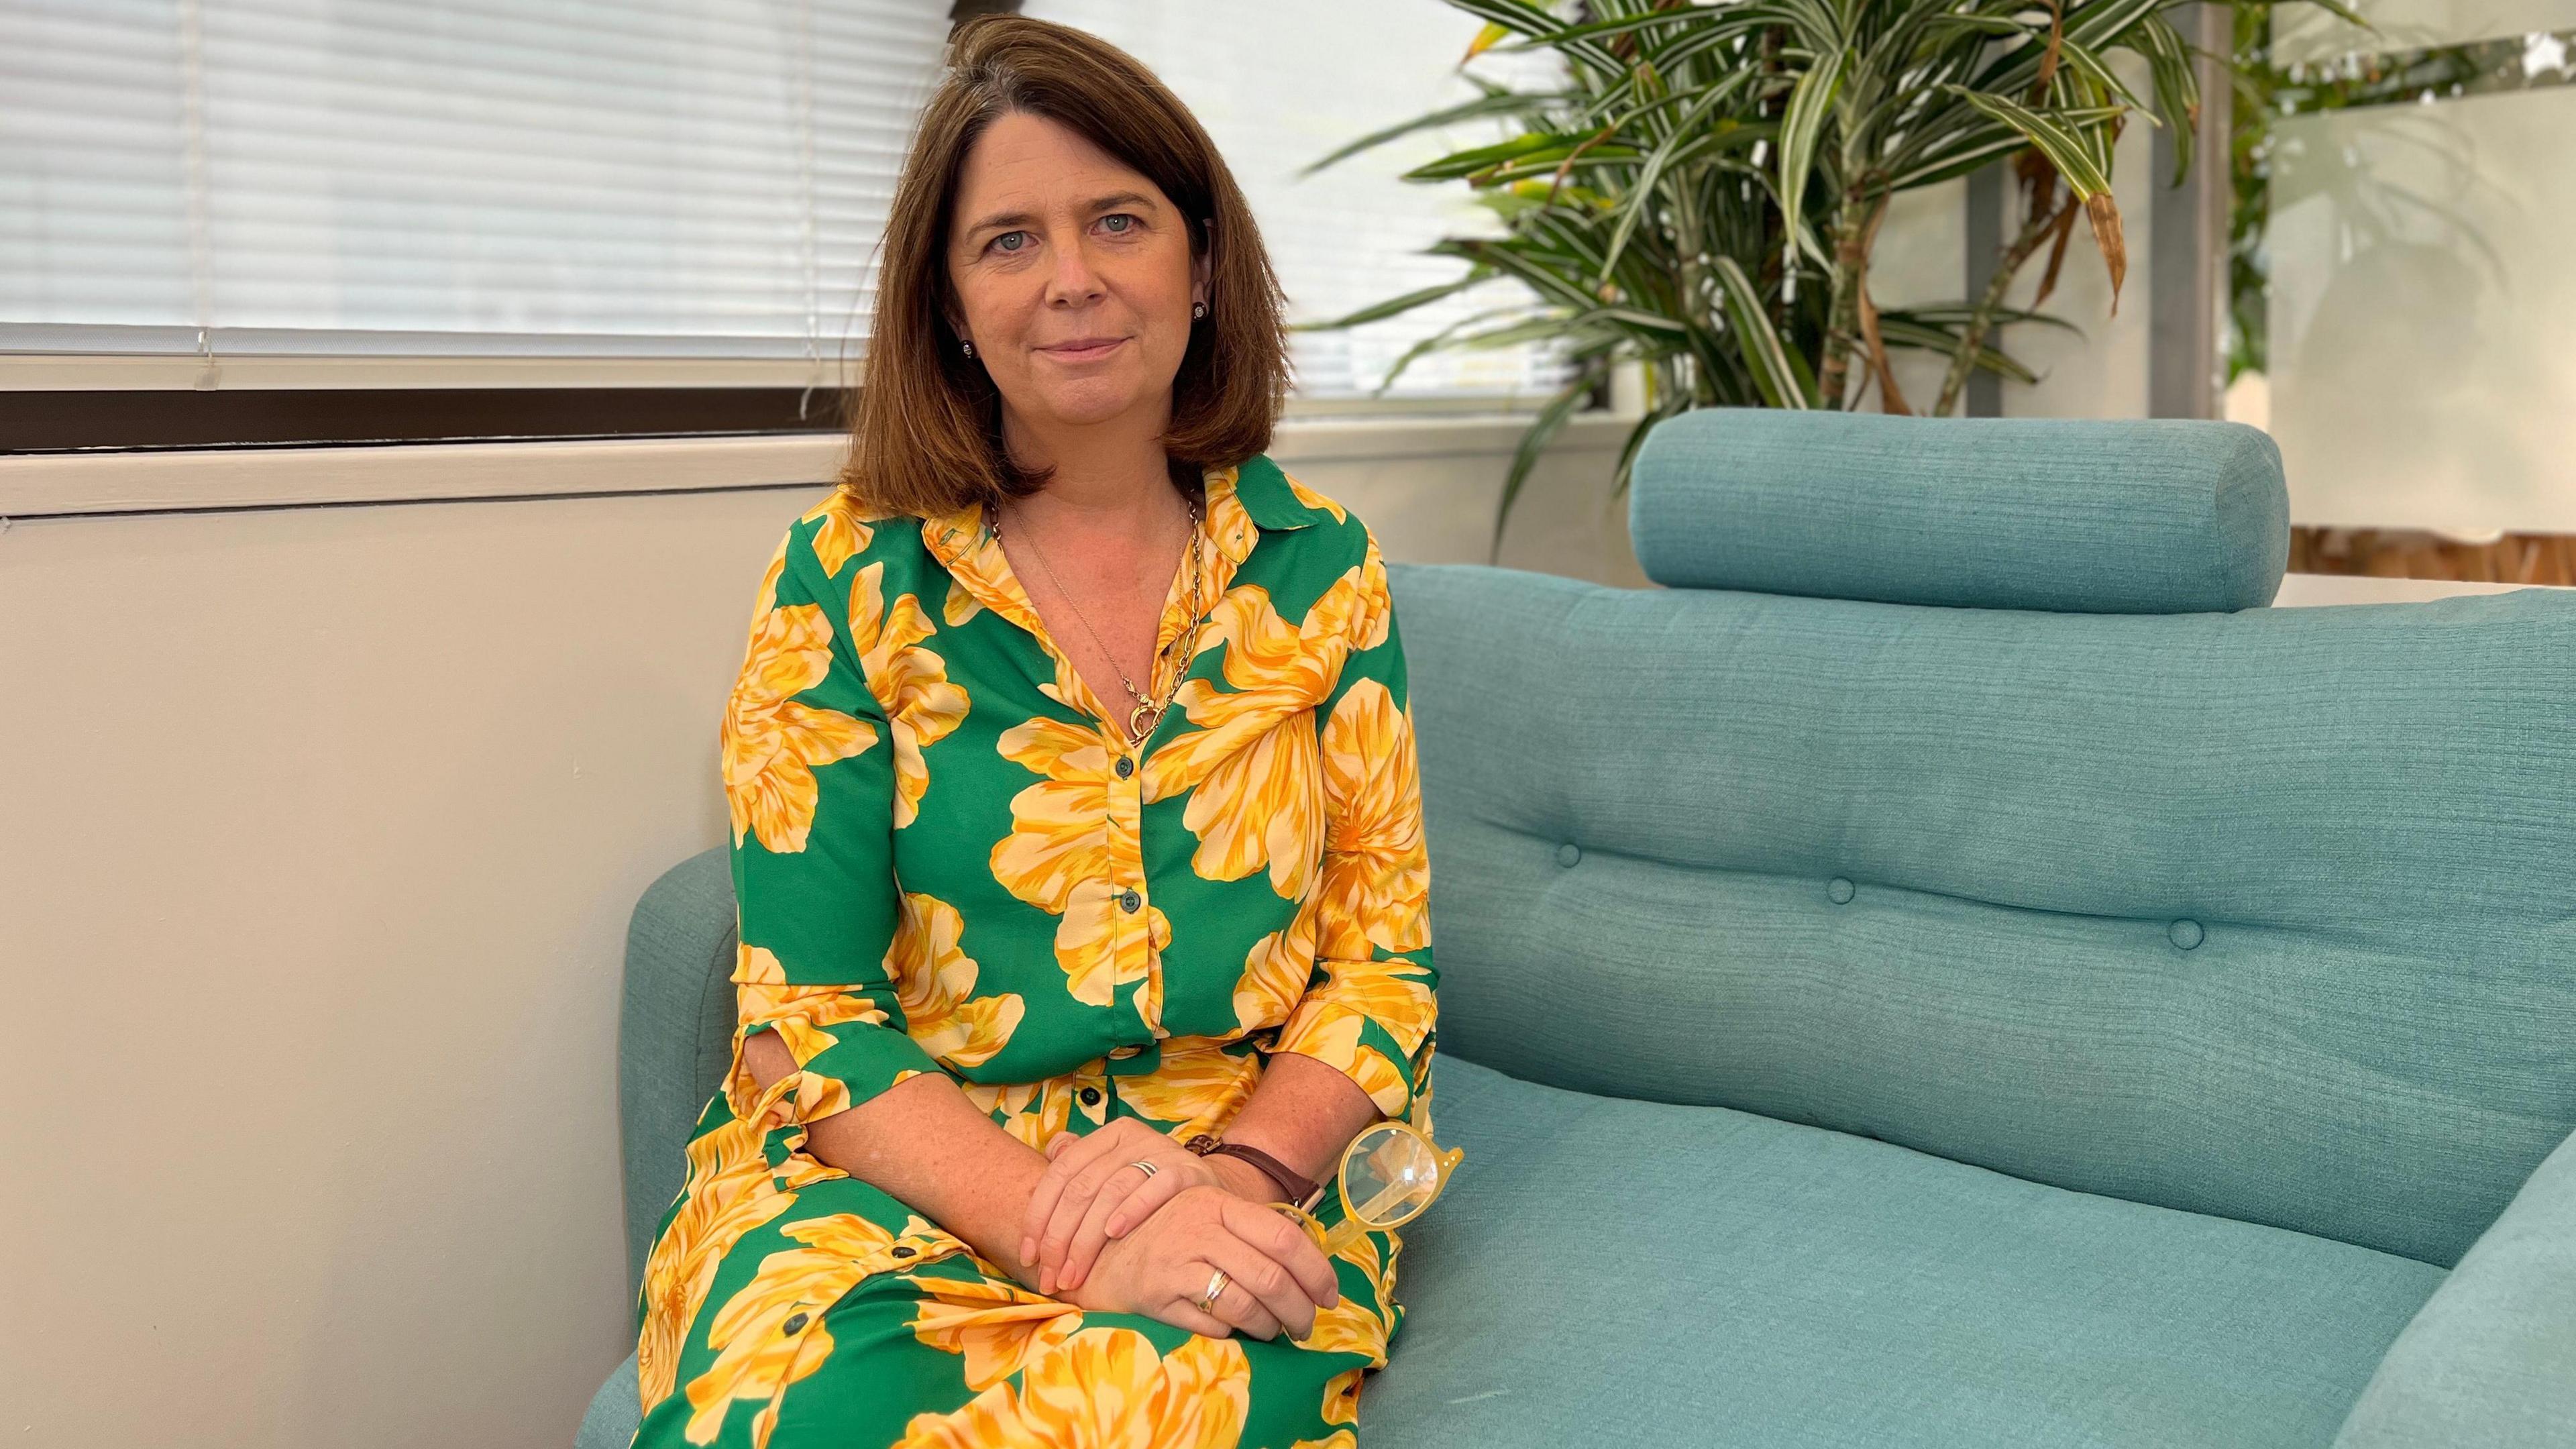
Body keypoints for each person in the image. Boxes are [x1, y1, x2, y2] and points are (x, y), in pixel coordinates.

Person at [629, 15, 1439, 1448]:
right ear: (947, 300)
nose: (1070, 280)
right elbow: (806, 1015)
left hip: (1228, 1162)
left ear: (1199, 261)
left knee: (1173, 1407)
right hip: (904, 1172)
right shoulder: (842, 583)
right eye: (1007, 241)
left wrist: (1233, 1185)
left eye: (1116, 222)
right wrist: (1068, 1236)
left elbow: (1381, 963)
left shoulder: (1327, 575)